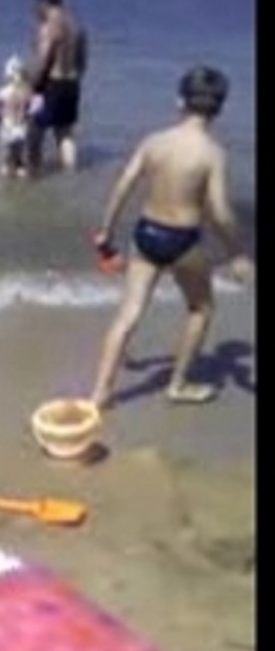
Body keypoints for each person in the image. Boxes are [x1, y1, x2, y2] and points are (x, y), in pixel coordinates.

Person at [89, 66, 254, 409]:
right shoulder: (211, 153)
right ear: (219, 108)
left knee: (129, 314)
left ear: (179, 101)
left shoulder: (155, 141)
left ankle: (101, 393)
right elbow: (221, 210)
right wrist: (237, 252)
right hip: (183, 241)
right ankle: (177, 385)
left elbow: (124, 184)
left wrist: (106, 229)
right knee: (201, 308)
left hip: (146, 233)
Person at [28, 0, 88, 174]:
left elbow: (44, 59)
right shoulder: (76, 25)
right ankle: (71, 176)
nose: (36, 9)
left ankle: (33, 176)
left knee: (34, 130)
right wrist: (76, 79)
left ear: (43, 1)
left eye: (37, 3)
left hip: (53, 83)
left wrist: (32, 85)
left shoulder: (49, 25)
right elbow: (82, 60)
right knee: (65, 133)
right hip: (72, 83)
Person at [0, 55, 44, 178]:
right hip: (22, 130)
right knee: (20, 162)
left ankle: (7, 190)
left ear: (7, 75)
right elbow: (34, 109)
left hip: (7, 129)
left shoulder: (3, 92)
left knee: (5, 162)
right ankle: (22, 188)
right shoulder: (28, 92)